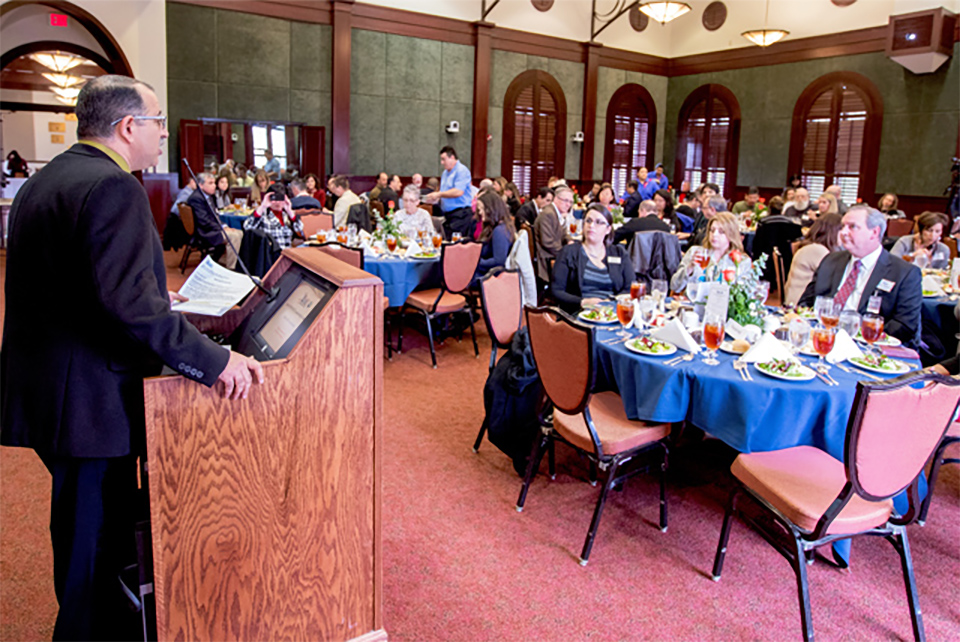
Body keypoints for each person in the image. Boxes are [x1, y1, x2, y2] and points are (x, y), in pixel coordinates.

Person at [0, 74, 263, 642]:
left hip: (52, 388)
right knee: (90, 541)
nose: (163, 133)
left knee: (88, 524)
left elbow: (76, 282)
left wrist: (149, 293)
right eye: (159, 121)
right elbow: (130, 313)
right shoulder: (113, 186)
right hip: (89, 399)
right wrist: (218, 363)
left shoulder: (48, 179)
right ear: (127, 127)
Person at [799, 206, 922, 349]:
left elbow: (904, 326)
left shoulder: (903, 273)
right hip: (821, 340)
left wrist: (862, 337)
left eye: (852, 227)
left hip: (868, 348)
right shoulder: (831, 261)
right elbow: (806, 303)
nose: (843, 232)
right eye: (842, 227)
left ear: (874, 232)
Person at [551, 204, 634, 313]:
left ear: (608, 229)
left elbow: (629, 288)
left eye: (599, 222)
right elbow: (556, 291)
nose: (592, 225)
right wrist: (583, 302)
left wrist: (610, 302)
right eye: (588, 221)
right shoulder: (569, 252)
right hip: (579, 314)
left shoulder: (619, 254)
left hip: (612, 312)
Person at [671, 212, 753, 295]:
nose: (715, 235)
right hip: (693, 305)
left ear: (731, 235)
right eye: (712, 230)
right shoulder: (695, 252)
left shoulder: (741, 261)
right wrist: (689, 269)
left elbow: (746, 295)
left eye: (721, 232)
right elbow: (674, 287)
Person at [783, 213, 842, 307]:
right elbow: (834, 278)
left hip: (797, 301)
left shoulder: (812, 246)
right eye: (841, 229)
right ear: (833, 231)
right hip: (800, 305)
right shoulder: (817, 250)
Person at [426, 146, 474, 239]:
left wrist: (439, 194)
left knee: (455, 244)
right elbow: (444, 192)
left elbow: (458, 191)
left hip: (461, 214)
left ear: (452, 157)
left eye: (444, 159)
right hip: (448, 215)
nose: (442, 162)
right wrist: (436, 199)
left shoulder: (461, 170)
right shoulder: (445, 173)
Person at [244, 183, 304, 249]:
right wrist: (263, 206)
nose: (277, 202)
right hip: (270, 254)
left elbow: (300, 230)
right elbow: (247, 227)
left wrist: (289, 211)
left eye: (280, 198)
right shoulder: (263, 215)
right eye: (274, 198)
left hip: (287, 253)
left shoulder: (286, 215)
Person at [187, 172, 231, 261]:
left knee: (239, 233)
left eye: (214, 183)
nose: (214, 186)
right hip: (205, 233)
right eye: (210, 183)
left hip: (211, 229)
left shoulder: (208, 196)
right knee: (235, 236)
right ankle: (231, 267)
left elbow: (215, 216)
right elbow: (204, 221)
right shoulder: (196, 198)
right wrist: (221, 228)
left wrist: (224, 225)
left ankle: (225, 261)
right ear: (201, 185)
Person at [534, 185, 573, 282]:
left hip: (552, 252)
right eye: (565, 201)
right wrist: (565, 253)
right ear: (556, 199)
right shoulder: (548, 214)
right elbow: (547, 242)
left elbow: (563, 232)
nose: (568, 205)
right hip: (546, 257)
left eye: (570, 202)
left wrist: (569, 241)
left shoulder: (556, 213)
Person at [475, 191, 517, 281]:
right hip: (488, 273)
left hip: (491, 277)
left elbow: (498, 261)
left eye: (482, 209)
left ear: (491, 209)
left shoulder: (499, 231)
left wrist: (475, 262)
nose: (480, 212)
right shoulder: (499, 227)